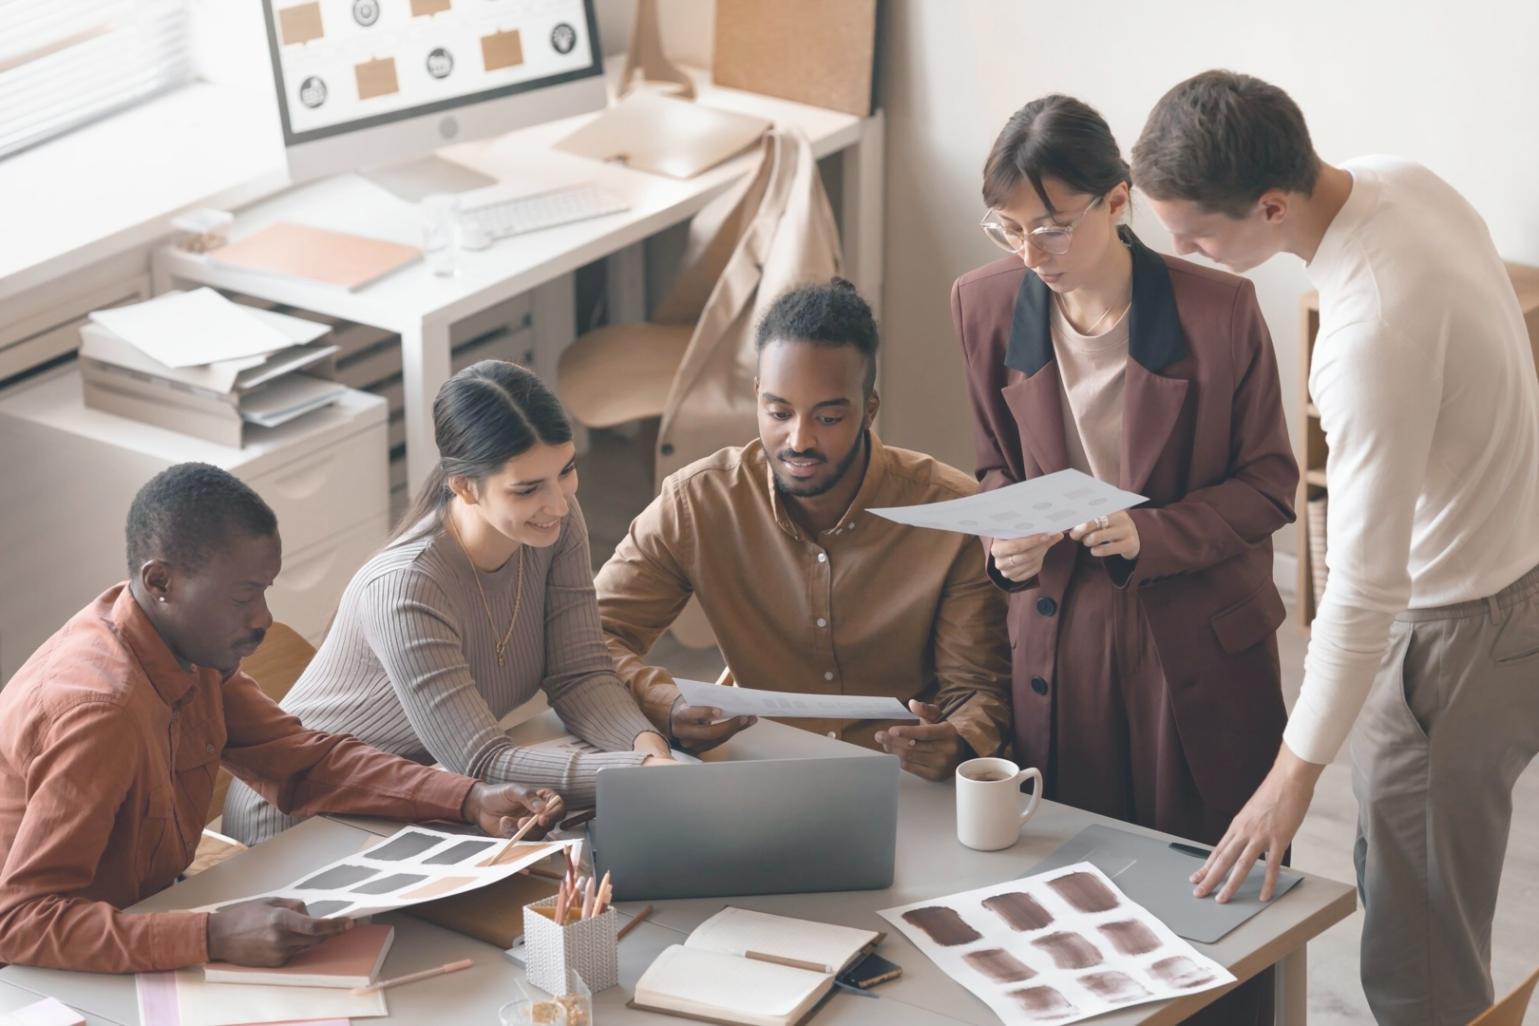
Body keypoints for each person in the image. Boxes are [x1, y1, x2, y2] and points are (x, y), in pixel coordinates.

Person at [1132, 70, 1539, 1026]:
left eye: (1193, 234)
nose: (1179, 252)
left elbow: (1360, 589)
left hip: (1450, 641)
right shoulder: (1403, 181)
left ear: (1270, 206)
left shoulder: (1363, 333)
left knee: (1418, 967)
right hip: (1521, 574)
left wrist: (1288, 779)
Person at [953, 96, 1297, 1025]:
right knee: (1068, 912)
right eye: (1009, 228)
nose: (1032, 253)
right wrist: (1003, 534)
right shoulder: (983, 304)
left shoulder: (1220, 311)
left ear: (1118, 203)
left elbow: (1270, 485)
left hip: (1192, 641)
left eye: (1053, 226)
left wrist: (1156, 534)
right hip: (1058, 637)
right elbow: (994, 459)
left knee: (1210, 905)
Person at [0, 463, 561, 973]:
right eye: (244, 597)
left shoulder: (187, 651)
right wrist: (210, 934)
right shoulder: (100, 713)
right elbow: (21, 921)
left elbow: (305, 762)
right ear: (160, 582)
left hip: (143, 913)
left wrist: (467, 798)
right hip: (43, 969)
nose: (263, 618)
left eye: (264, 591)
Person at [225, 361, 673, 845]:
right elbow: (481, 760)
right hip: (299, 822)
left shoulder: (551, 524)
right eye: (528, 489)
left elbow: (580, 673)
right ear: (463, 486)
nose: (560, 503)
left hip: (418, 800)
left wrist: (650, 751)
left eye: (566, 470)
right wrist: (636, 773)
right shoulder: (406, 587)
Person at [595, 278, 1011, 779]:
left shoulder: (952, 513)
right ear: (757, 398)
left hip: (903, 781)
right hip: (757, 769)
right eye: (778, 412)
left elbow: (977, 688)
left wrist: (961, 741)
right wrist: (666, 704)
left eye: (829, 417)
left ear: (868, 411)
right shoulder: (697, 502)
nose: (799, 440)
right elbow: (591, 639)